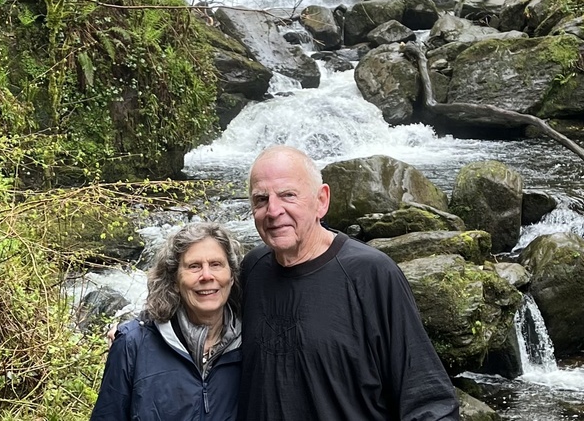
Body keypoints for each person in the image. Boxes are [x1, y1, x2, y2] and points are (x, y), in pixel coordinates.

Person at [239, 145, 460, 421]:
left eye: (288, 195)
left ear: (322, 201)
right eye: (261, 199)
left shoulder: (371, 274)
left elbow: (429, 400)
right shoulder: (252, 270)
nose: (273, 210)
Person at [91, 222, 243, 421]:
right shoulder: (133, 345)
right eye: (194, 266)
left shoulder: (254, 343)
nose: (207, 276)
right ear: (174, 280)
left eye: (216, 264)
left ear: (231, 276)